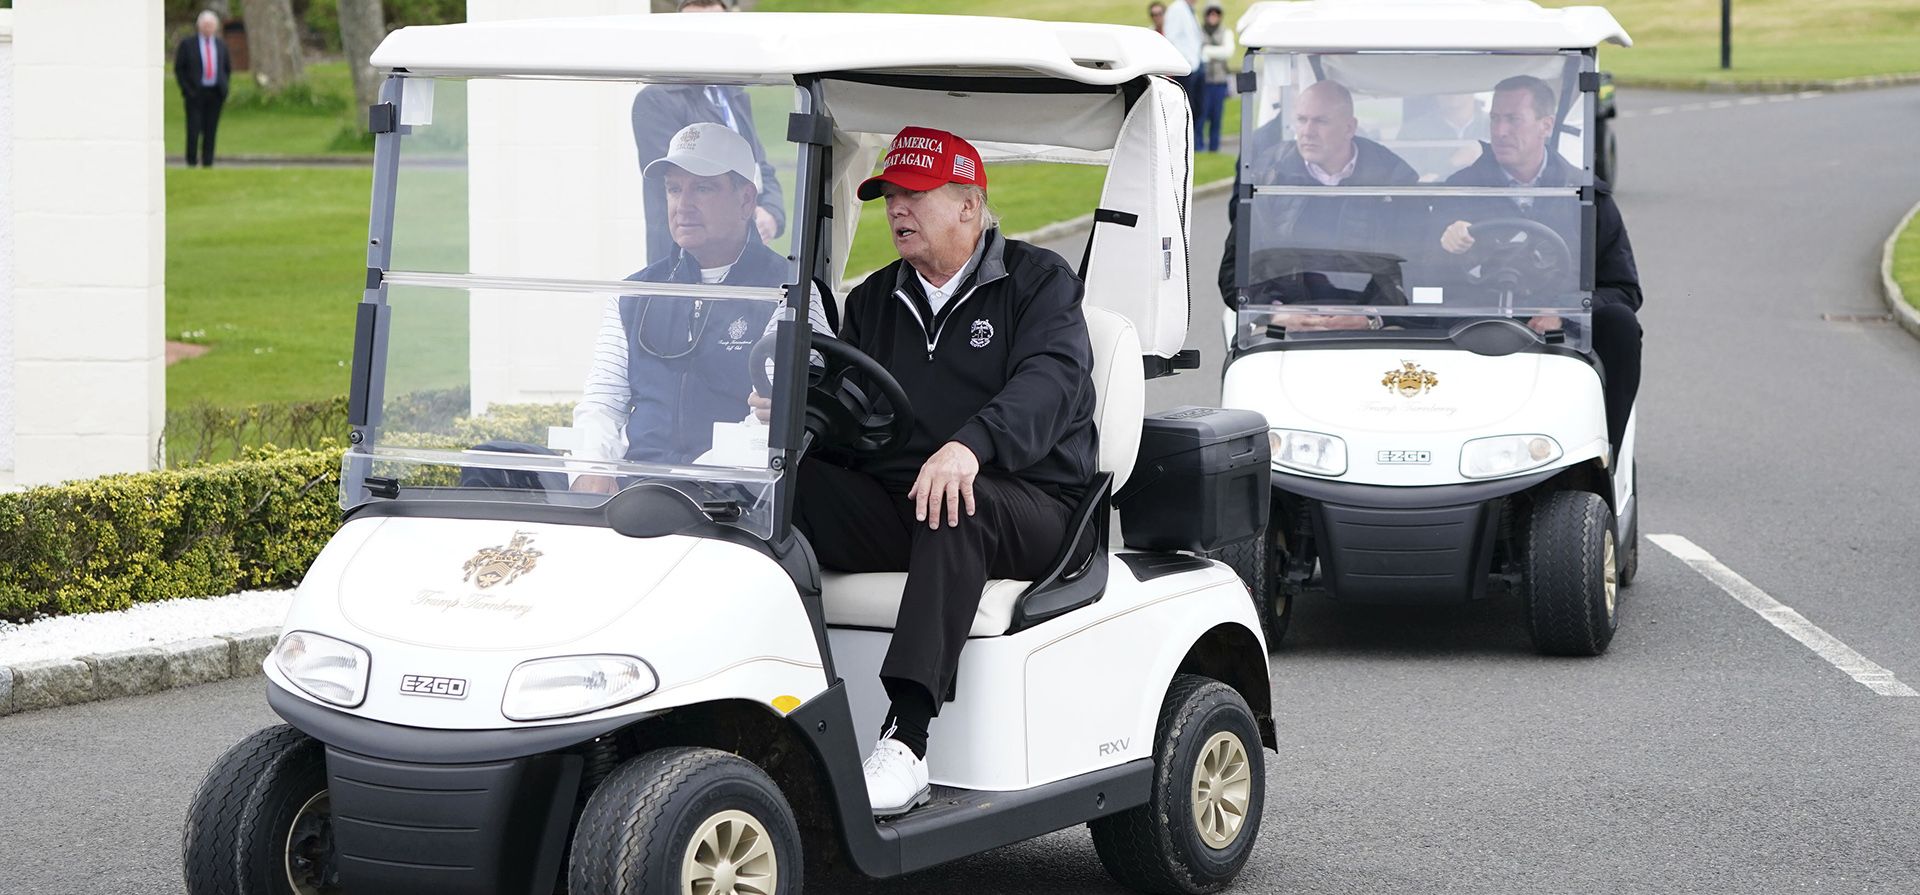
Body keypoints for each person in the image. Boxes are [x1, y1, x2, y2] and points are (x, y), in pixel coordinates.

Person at [759, 127, 1097, 816]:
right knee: (781, 491)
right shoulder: (875, 298)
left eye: (914, 195)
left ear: (969, 206)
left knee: (954, 502)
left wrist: (971, 445)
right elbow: (853, 411)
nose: (897, 210)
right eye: (890, 197)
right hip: (905, 501)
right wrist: (792, 415)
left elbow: (1051, 383)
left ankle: (906, 740)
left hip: (1032, 502)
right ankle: (765, 703)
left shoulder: (1038, 284)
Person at [571, 123, 793, 482]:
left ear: (745, 200)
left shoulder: (790, 292)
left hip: (727, 495)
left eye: (702, 188)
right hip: (634, 488)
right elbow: (602, 404)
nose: (683, 205)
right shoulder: (634, 293)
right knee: (494, 467)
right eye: (674, 189)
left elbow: (768, 421)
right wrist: (590, 471)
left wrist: (681, 484)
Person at [1436, 75, 1643, 451]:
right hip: (1477, 321)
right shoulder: (1459, 188)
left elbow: (1624, 289)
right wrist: (1445, 242)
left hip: (1557, 327)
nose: (1500, 131)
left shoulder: (1586, 194)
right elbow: (1419, 277)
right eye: (1495, 119)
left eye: (1513, 119)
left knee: (1621, 325)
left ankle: (1605, 452)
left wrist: (1564, 311)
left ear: (1546, 126)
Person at [1217, 80, 1420, 329]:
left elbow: (1416, 264)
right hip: (1289, 322)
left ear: (1349, 128)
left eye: (1321, 121)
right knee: (1258, 347)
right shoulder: (1268, 176)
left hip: (1369, 325)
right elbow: (1234, 270)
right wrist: (1274, 314)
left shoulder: (1394, 179)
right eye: (1301, 120)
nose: (1307, 131)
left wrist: (1371, 317)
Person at [629, 0, 785, 265]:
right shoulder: (657, 100)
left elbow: (760, 167)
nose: (708, 41)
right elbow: (688, 181)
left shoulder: (733, 96)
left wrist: (771, 214)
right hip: (685, 262)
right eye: (696, 32)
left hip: (741, 257)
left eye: (716, 31)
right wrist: (749, 217)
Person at [173, 11, 231, 168]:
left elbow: (226, 68)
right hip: (195, 93)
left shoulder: (220, 44)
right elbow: (179, 69)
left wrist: (224, 86)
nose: (208, 28)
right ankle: (191, 161)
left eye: (211, 25)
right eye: (205, 25)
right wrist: (187, 89)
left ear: (215, 27)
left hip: (215, 92)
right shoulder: (188, 44)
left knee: (211, 129)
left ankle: (208, 161)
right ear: (199, 26)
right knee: (193, 128)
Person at [1398, 92, 1491, 179]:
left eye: (1460, 83)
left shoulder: (1494, 127)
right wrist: (1451, 164)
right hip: (1434, 192)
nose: (1454, 90)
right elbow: (1404, 181)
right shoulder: (1412, 132)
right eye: (1448, 84)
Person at [1161, 0, 1205, 131]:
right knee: (1187, 110)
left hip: (1196, 65)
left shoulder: (1189, 9)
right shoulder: (1177, 9)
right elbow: (1171, 38)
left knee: (1198, 108)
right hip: (1187, 67)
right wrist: (1187, 60)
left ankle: (1193, 138)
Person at [1197, 4, 1235, 153]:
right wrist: (1218, 51)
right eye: (1210, 13)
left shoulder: (1225, 32)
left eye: (1216, 14)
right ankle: (1198, 146)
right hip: (1204, 81)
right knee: (1201, 115)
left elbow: (1228, 52)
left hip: (1219, 81)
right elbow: (1198, 51)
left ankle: (1214, 147)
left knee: (1216, 117)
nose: (1213, 16)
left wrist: (1207, 51)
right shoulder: (1199, 31)